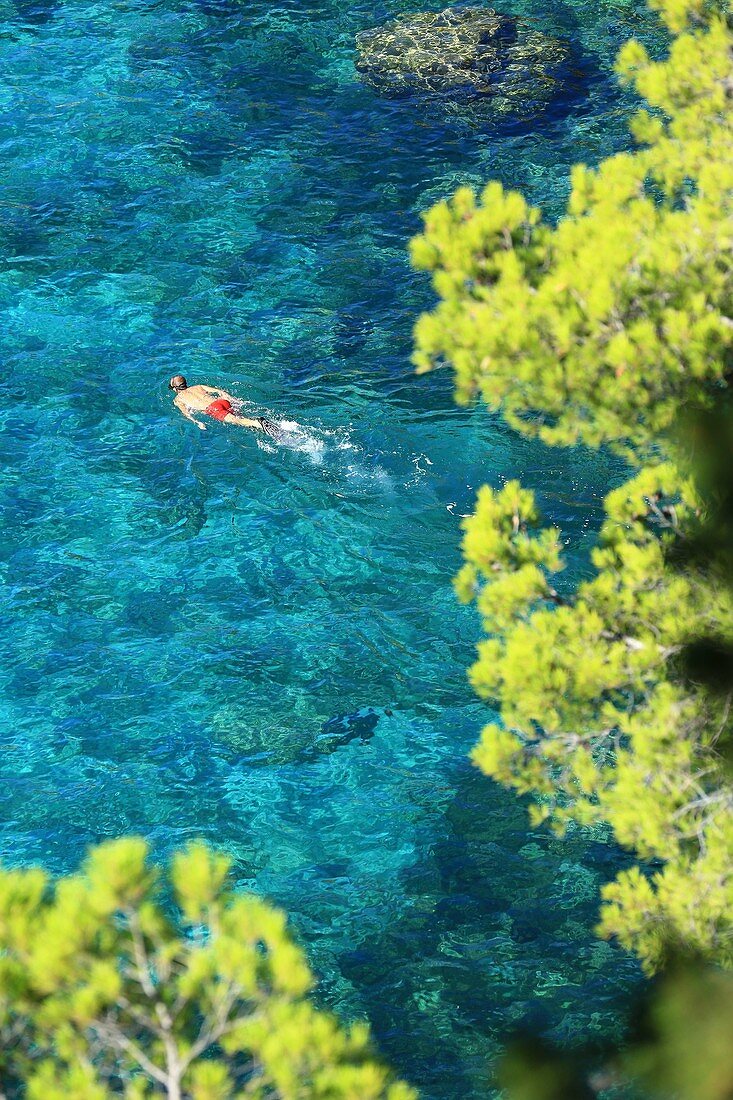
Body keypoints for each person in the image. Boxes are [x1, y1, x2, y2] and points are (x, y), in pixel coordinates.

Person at [168, 376, 279, 436]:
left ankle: (258, 423)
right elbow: (220, 392)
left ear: (174, 388)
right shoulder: (198, 386)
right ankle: (257, 424)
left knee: (239, 421)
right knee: (241, 417)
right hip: (221, 402)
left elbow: (186, 413)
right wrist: (233, 399)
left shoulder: (178, 399)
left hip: (214, 409)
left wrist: (197, 422)